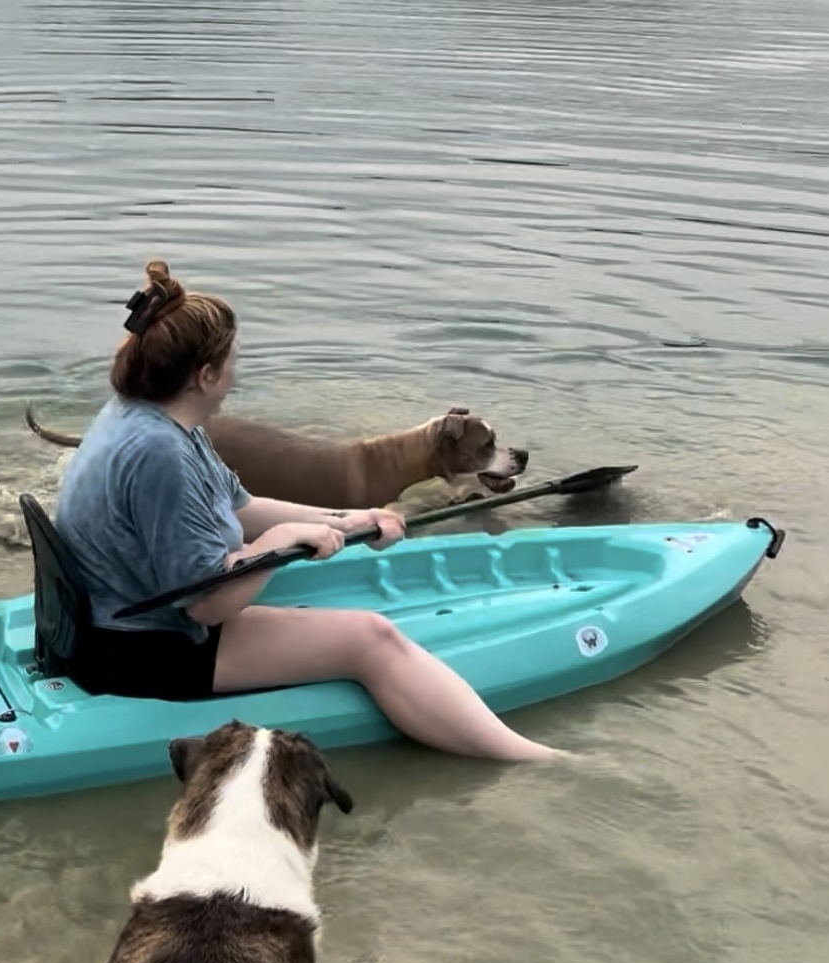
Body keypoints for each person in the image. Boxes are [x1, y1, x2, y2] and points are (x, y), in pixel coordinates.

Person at [53, 259, 565, 762]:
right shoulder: (160, 451)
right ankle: (532, 763)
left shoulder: (142, 415)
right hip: (137, 651)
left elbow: (241, 505)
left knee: (334, 608)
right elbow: (206, 604)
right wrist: (277, 545)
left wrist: (344, 518)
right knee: (372, 638)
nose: (237, 372)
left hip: (109, 622)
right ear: (206, 375)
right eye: (233, 360)